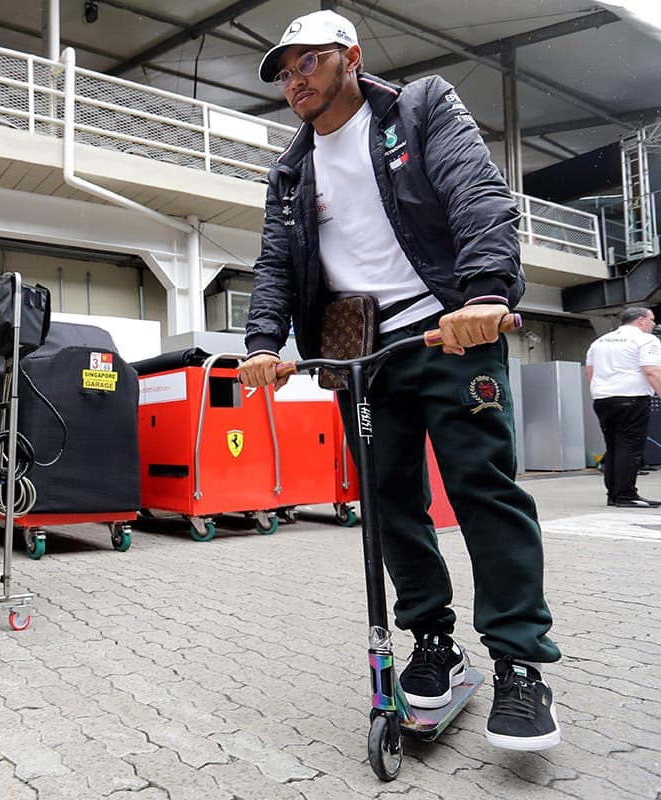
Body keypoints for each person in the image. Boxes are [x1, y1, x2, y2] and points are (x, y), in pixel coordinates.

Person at [238, 9, 561, 750]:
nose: (295, 82)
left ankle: (519, 663)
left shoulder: (419, 110)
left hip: (446, 332)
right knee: (388, 503)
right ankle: (435, 643)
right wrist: (262, 343)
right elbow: (274, 267)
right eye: (285, 73)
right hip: (359, 354)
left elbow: (477, 194)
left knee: (483, 489)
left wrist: (484, 293)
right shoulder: (291, 170)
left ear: (350, 56)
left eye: (308, 63)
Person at [585, 307, 661, 507]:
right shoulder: (647, 340)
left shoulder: (599, 342)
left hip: (602, 399)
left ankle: (614, 495)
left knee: (613, 447)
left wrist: (601, 392)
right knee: (630, 447)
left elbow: (590, 373)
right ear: (640, 321)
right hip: (632, 398)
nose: (654, 324)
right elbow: (652, 370)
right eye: (652, 319)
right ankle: (627, 495)